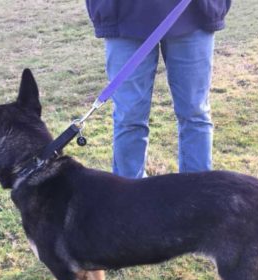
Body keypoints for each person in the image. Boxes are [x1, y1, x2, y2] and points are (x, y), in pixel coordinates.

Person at [86, 0, 232, 178]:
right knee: (129, 117)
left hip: (192, 14)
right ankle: (129, 199)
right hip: (124, 18)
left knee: (195, 113)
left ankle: (198, 196)